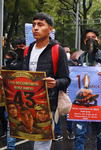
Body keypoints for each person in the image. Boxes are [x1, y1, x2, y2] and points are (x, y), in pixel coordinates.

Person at [22, 12, 70, 150]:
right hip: (28, 103)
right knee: (32, 141)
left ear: (50, 29)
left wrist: (55, 83)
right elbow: (21, 76)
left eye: (40, 25)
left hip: (47, 106)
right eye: (34, 25)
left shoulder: (57, 50)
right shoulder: (27, 50)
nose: (35, 28)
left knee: (41, 144)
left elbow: (66, 79)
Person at [75, 28, 101, 150]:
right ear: (84, 41)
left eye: (93, 37)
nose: (90, 40)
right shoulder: (81, 57)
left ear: (98, 39)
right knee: (80, 134)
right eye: (88, 38)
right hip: (83, 103)